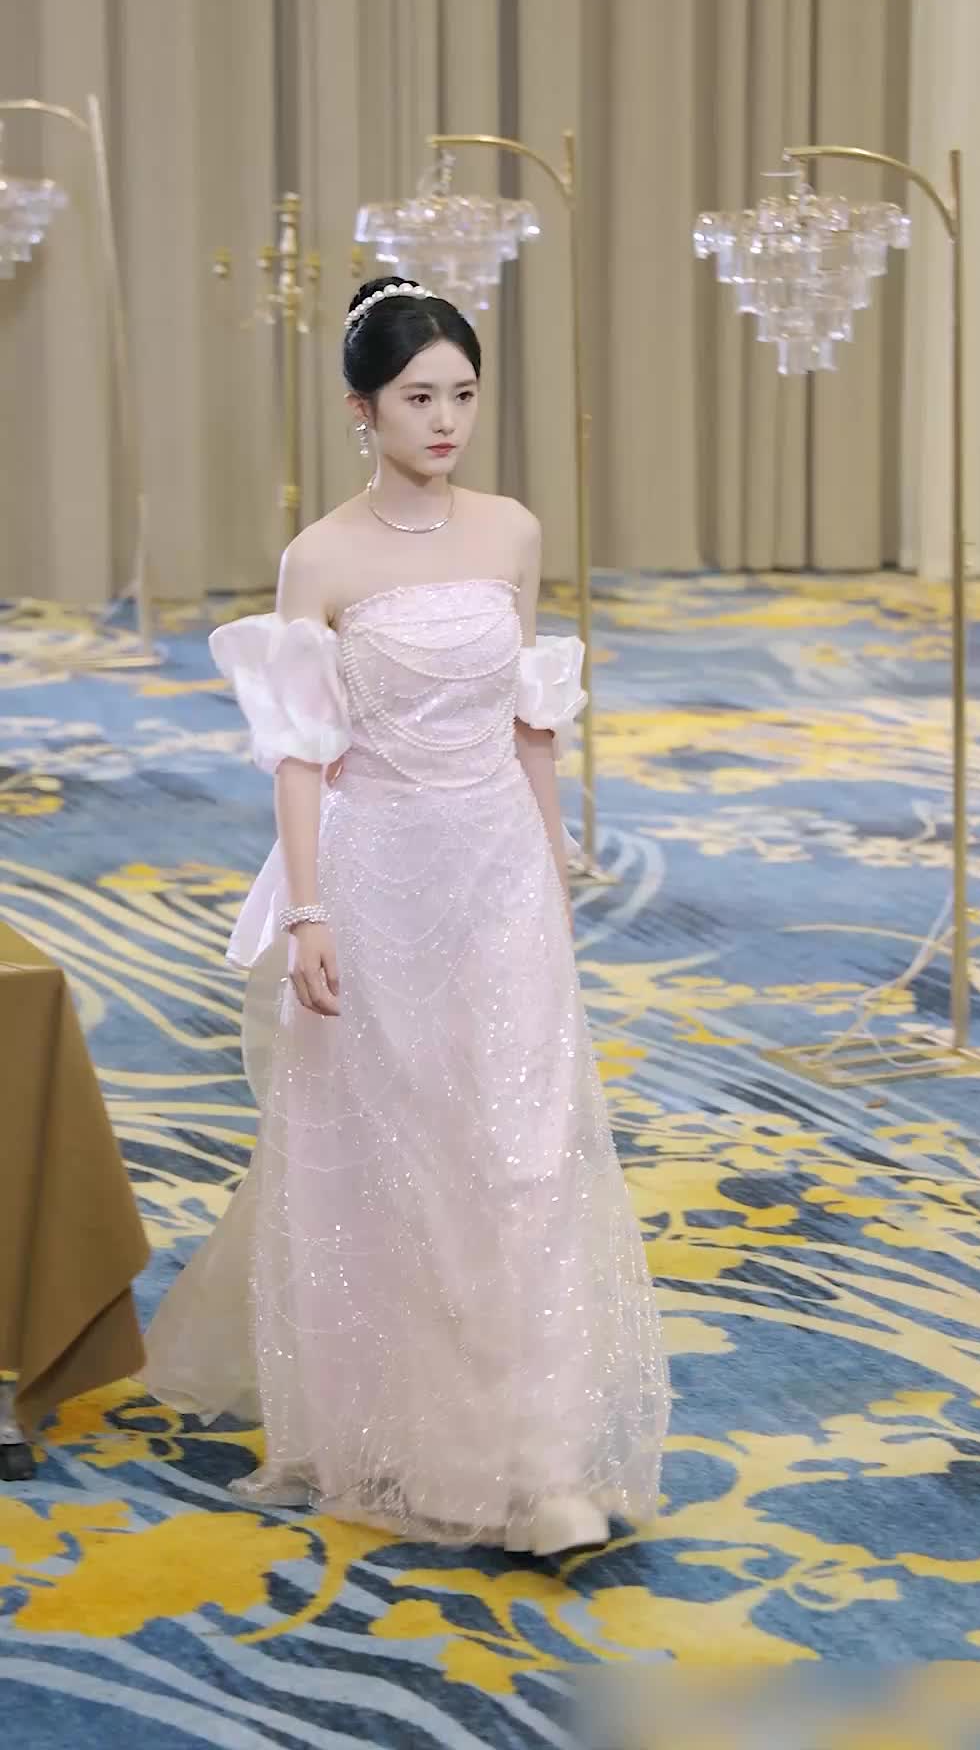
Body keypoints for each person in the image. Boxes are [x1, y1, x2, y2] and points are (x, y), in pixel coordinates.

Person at [141, 278, 670, 1554]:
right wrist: (309, 911)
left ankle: (540, 1463)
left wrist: (550, 868)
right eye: (419, 397)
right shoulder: (322, 558)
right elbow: (299, 753)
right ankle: (420, 1436)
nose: (445, 422)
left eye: (464, 396)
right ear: (361, 408)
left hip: (499, 870)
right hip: (378, 874)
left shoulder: (512, 532)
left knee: (524, 1152)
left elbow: (531, 725)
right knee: (405, 1158)